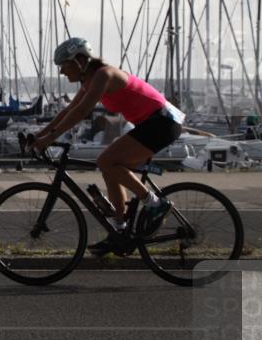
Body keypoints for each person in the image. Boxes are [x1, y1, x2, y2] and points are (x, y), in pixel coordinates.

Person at [30, 37, 184, 255]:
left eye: (64, 65)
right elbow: (68, 110)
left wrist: (49, 139)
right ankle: (118, 230)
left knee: (106, 160)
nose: (62, 71)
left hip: (163, 122)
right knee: (109, 167)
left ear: (80, 61)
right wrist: (39, 136)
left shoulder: (104, 75)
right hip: (151, 123)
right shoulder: (90, 81)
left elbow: (82, 111)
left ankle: (155, 203)